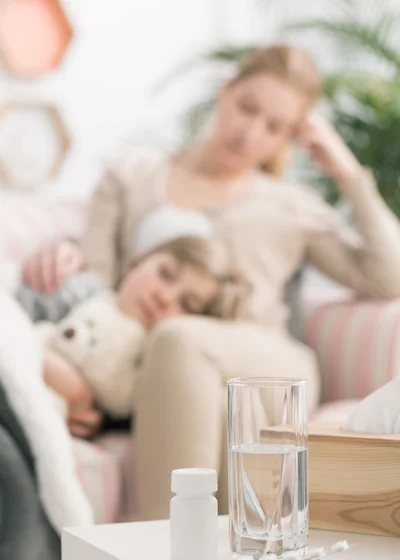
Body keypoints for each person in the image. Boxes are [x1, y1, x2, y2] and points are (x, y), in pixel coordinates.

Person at [22, 44, 400, 520]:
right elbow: (99, 290)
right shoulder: (133, 176)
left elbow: (390, 277)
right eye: (247, 108)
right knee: (197, 374)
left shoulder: (291, 205)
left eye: (275, 127)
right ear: (224, 93)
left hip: (270, 365)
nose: (250, 132)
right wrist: (65, 258)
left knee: (179, 335)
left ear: (290, 137)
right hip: (161, 370)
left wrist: (347, 172)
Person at [41, 235, 248, 433]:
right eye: (165, 274)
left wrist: (97, 420)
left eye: (187, 304)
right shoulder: (82, 293)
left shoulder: (150, 369)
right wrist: (47, 363)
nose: (164, 297)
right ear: (135, 263)